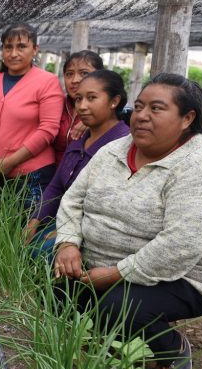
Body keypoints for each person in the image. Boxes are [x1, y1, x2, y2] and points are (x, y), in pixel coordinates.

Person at [54, 73, 202, 369]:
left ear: (187, 118)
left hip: (188, 277)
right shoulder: (114, 151)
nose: (142, 115)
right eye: (139, 106)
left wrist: (116, 273)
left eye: (156, 108)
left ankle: (172, 351)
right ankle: (112, 342)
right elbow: (73, 199)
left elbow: (179, 246)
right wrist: (69, 244)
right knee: (59, 290)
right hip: (107, 264)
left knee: (118, 308)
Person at [26, 69, 130, 256]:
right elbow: (56, 186)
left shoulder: (123, 144)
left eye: (91, 98)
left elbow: (108, 207)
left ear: (114, 101)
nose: (81, 106)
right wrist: (35, 220)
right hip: (65, 219)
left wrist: (66, 233)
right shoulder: (79, 140)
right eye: (78, 99)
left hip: (94, 235)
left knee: (40, 254)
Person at [0, 23, 63, 211]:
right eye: (8, 47)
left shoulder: (47, 82)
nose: (13, 53)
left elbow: (48, 130)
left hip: (31, 175)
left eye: (21, 47)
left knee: (24, 232)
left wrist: (10, 162)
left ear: (35, 50)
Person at [54, 50, 105, 162]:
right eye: (69, 74)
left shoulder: (108, 112)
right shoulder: (56, 104)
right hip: (54, 175)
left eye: (84, 73)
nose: (75, 80)